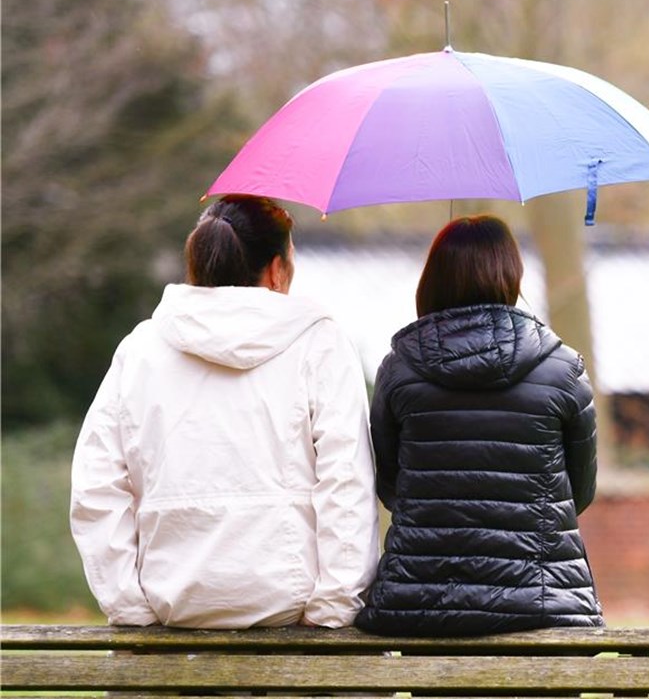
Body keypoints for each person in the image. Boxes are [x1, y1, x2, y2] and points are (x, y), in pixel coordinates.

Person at [70, 195, 378, 628]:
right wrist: (333, 608)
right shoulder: (320, 345)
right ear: (275, 270)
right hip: (292, 613)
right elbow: (347, 482)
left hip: (171, 607)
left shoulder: (140, 349)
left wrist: (130, 605)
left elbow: (96, 486)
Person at [354, 215, 602, 636]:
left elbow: (390, 485)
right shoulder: (563, 369)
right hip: (544, 606)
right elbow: (578, 492)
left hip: (420, 606)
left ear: (433, 281)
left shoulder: (399, 371)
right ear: (512, 276)